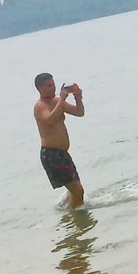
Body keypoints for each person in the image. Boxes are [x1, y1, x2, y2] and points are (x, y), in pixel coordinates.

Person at [34, 72, 86, 209]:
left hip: (63, 154)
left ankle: (67, 213)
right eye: (48, 86)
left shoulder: (57, 101)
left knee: (75, 190)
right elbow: (49, 120)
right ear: (39, 88)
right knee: (78, 190)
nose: (53, 88)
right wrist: (61, 100)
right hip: (51, 154)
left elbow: (79, 112)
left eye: (53, 84)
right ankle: (76, 216)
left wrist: (78, 97)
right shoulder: (40, 106)